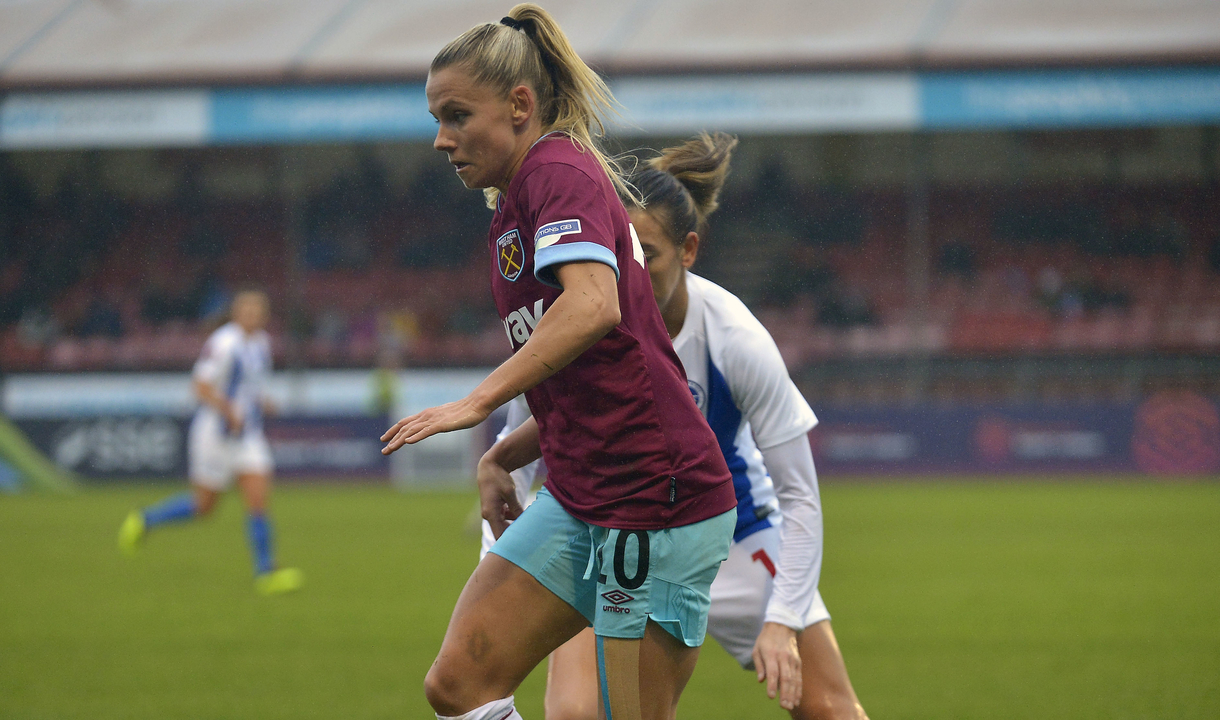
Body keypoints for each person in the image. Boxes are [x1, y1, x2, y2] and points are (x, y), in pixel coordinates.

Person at [380, 6, 738, 719]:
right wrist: (502, 456)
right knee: (459, 684)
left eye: (456, 115)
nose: (439, 139)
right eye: (435, 118)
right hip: (583, 493)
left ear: (519, 105)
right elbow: (602, 373)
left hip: (654, 500)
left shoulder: (558, 174)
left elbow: (592, 307)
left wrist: (477, 403)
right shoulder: (518, 199)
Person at [481, 134, 869, 719]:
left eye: (648, 254)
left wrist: (782, 621)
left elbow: (799, 497)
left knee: (832, 711)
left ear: (688, 250)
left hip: (733, 536)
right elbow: (520, 477)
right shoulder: (569, 325)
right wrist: (495, 591)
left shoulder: (735, 337)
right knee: (575, 716)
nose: (629, 269)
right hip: (609, 530)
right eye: (619, 251)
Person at [118, 290, 302, 596]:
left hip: (248, 435)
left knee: (258, 500)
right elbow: (200, 387)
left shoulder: (262, 344)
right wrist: (228, 409)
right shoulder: (223, 343)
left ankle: (265, 572)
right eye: (246, 310)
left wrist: (262, 402)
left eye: (258, 311)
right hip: (214, 435)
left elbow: (250, 387)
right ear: (236, 313)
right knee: (204, 506)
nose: (252, 316)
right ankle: (146, 519)